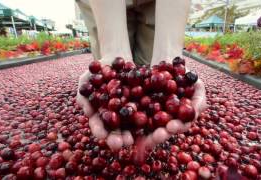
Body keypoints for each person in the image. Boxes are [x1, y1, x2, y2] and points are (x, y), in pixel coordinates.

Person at [75, 0, 207, 152]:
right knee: (108, 54)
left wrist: (169, 53)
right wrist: (112, 49)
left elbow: (158, 77)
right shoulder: (116, 92)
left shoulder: (162, 85)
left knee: (148, 61)